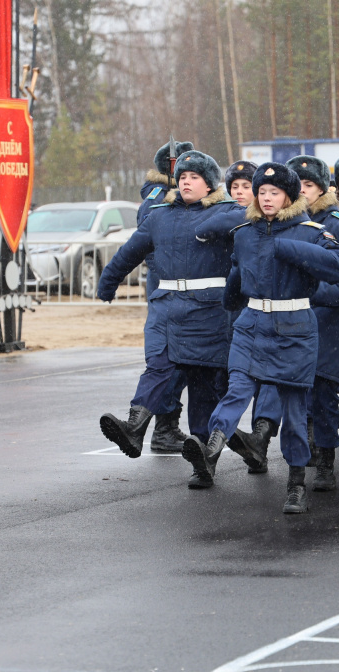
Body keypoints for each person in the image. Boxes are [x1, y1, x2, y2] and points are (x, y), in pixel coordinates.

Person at [184, 162, 339, 513]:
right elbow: (239, 270)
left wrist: (289, 249)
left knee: (293, 408)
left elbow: (338, 268)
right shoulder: (245, 231)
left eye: (274, 192)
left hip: (295, 327)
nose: (267, 198)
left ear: (289, 195)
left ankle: (296, 484)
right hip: (252, 322)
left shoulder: (309, 230)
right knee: (237, 388)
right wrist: (230, 300)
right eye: (262, 192)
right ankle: (211, 446)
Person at [97, 151, 244, 463]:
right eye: (183, 177)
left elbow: (245, 217)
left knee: (203, 383)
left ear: (210, 185)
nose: (187, 182)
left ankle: (203, 456)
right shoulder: (161, 215)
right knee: (158, 365)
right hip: (167, 307)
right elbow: (129, 252)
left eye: (195, 177)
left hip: (209, 312)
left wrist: (213, 221)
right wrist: (107, 283)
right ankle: (134, 427)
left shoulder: (227, 211)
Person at [137, 140, 195, 454]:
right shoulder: (159, 200)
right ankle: (164, 427)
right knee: (172, 359)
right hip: (169, 289)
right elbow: (148, 248)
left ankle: (166, 424)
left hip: (179, 289)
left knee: (182, 358)